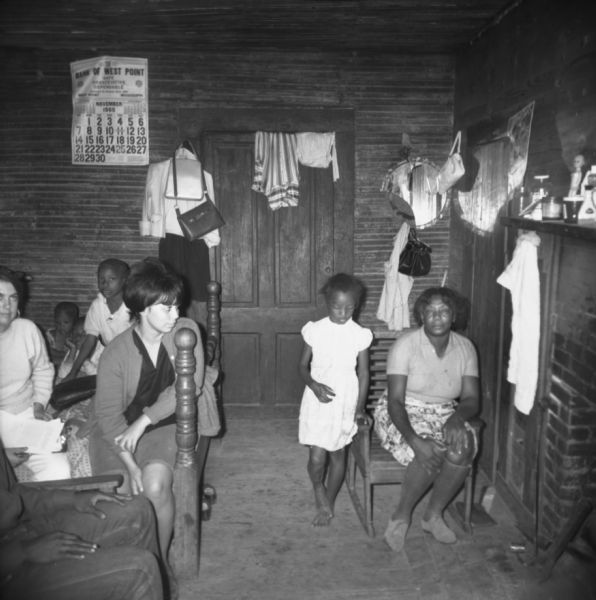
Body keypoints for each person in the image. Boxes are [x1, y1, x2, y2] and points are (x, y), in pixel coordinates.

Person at [88, 257, 205, 567]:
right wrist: (131, 464)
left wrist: (144, 422)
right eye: (166, 308)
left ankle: (158, 561)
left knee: (153, 485)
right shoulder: (116, 352)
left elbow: (189, 385)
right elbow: (110, 416)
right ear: (141, 308)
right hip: (116, 429)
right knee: (123, 490)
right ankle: (126, 565)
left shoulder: (186, 332)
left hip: (165, 423)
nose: (175, 314)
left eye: (177, 305)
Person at [373, 286, 479, 552]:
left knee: (462, 447)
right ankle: (401, 517)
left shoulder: (465, 348)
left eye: (443, 310)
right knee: (429, 449)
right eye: (429, 311)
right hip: (401, 410)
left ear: (454, 315)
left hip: (445, 411)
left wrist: (456, 419)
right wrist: (413, 438)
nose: (437, 316)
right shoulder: (405, 346)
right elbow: (395, 401)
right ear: (421, 315)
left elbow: (471, 399)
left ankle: (433, 515)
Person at [0, 442, 164, 600]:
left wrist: (72, 498)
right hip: (10, 569)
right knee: (140, 569)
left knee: (137, 509)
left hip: (21, 530)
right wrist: (22, 552)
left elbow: (11, 494)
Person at [298, 273, 372, 526]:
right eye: (336, 307)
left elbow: (363, 373)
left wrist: (359, 408)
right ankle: (318, 487)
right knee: (317, 457)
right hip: (318, 399)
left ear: (357, 305)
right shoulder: (315, 330)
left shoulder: (360, 334)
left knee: (338, 453)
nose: (342, 313)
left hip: (345, 400)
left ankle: (327, 502)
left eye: (349, 308)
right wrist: (313, 384)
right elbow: (301, 367)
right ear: (327, 303)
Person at [0, 267, 70, 481]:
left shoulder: (27, 329)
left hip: (25, 415)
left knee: (59, 471)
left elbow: (43, 369)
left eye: (13, 298)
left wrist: (39, 404)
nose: (6, 306)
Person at [64, 258, 131, 380]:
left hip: (134, 359)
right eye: (101, 279)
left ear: (125, 281)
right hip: (112, 359)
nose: (105, 284)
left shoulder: (133, 305)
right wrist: (73, 371)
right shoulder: (97, 306)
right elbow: (90, 340)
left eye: (112, 279)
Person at [45, 301, 79, 371]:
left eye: (66, 322)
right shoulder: (50, 335)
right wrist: (66, 355)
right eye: (57, 322)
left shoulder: (75, 336)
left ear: (74, 322)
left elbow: (76, 356)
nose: (61, 326)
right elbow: (48, 351)